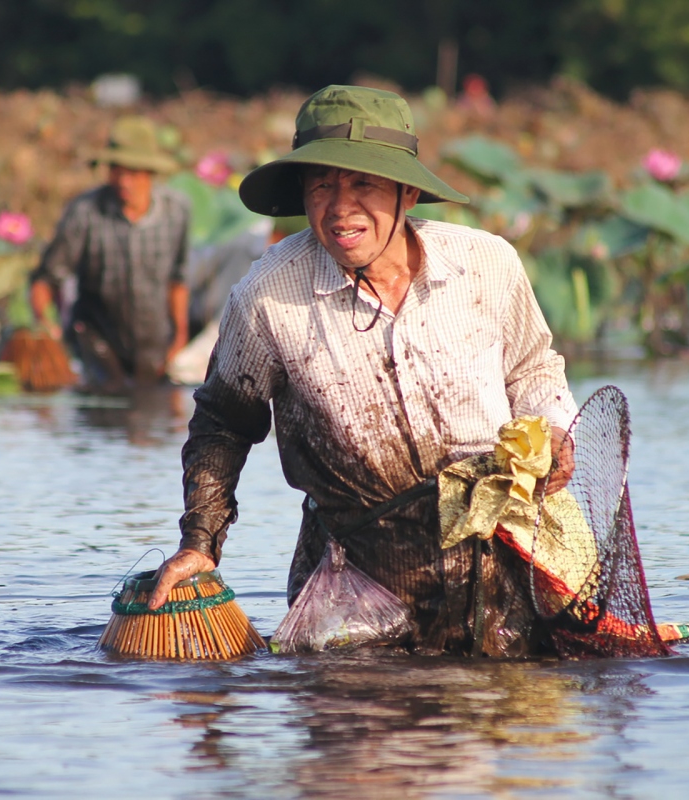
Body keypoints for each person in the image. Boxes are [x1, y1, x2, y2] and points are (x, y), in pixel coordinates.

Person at [148, 85, 578, 655]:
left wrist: (551, 426)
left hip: (494, 570)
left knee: (484, 721)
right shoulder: (269, 295)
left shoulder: (485, 265)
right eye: (321, 185)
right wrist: (200, 541)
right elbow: (222, 424)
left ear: (405, 192)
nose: (340, 207)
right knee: (356, 733)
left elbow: (532, 368)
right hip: (355, 587)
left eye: (363, 183)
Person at [30, 115, 191, 389]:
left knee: (153, 408)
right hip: (96, 341)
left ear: (149, 173)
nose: (124, 180)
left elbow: (178, 281)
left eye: (133, 172)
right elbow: (46, 279)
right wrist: (47, 326)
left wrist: (179, 339)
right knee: (104, 402)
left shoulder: (176, 211)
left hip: (153, 343)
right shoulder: (85, 212)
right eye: (117, 170)